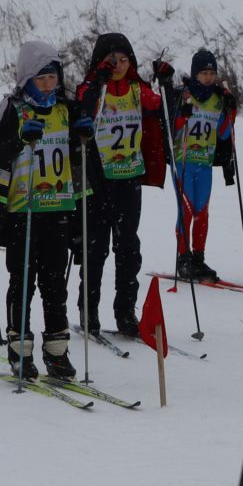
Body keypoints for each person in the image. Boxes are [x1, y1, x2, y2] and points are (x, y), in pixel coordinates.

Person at [0, 39, 80, 381]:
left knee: (55, 285)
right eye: (41, 78)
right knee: (22, 284)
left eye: (53, 77)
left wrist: (84, 137)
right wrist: (18, 138)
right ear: (26, 79)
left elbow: (79, 165)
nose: (48, 84)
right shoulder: (13, 111)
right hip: (23, 211)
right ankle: (20, 350)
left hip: (58, 209)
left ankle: (57, 354)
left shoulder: (66, 109)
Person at [73, 32, 166, 336]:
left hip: (129, 179)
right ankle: (89, 309)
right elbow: (81, 107)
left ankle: (125, 311)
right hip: (98, 182)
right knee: (95, 248)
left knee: (128, 248)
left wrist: (168, 86)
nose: (118, 65)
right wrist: (98, 80)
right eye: (111, 61)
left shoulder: (139, 89)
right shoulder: (91, 88)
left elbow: (162, 108)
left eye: (124, 60)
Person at [168, 49, 238, 283]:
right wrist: (182, 116)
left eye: (212, 73)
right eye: (204, 73)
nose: (208, 77)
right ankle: (183, 257)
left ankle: (198, 257)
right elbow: (172, 129)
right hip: (185, 161)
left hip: (205, 164)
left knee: (202, 212)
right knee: (186, 212)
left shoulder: (218, 99)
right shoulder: (184, 95)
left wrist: (231, 109)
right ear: (195, 74)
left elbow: (224, 133)